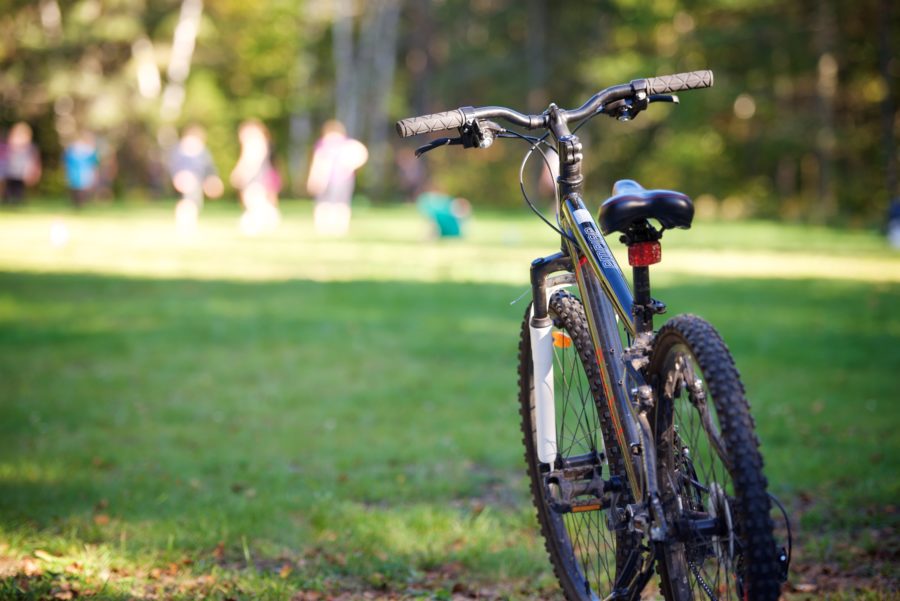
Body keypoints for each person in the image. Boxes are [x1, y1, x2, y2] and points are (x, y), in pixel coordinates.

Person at [307, 120, 368, 237]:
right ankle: (330, 226)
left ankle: (334, 227)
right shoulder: (335, 144)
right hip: (333, 179)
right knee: (329, 203)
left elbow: (361, 155)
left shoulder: (344, 144)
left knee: (336, 203)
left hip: (340, 179)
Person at [167, 125, 223, 234]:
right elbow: (174, 165)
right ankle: (184, 224)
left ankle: (189, 224)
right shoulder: (180, 150)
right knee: (187, 202)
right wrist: (177, 176)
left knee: (194, 202)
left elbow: (208, 167)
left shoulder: (202, 151)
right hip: (185, 180)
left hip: (197, 181)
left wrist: (212, 179)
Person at [231, 120, 280, 235]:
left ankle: (264, 221)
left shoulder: (255, 143)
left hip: (257, 177)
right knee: (254, 200)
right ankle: (264, 220)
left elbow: (252, 161)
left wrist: (243, 174)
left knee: (254, 200)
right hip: (258, 176)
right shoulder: (258, 142)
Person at [3, 122, 41, 205]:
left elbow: (33, 162)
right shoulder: (8, 148)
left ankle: (17, 202)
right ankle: (7, 201)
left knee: (19, 189)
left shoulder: (30, 148)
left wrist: (32, 173)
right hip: (9, 172)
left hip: (21, 173)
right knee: (9, 188)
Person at [63, 131, 100, 207]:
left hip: (84, 172)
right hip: (76, 172)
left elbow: (95, 162)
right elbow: (67, 159)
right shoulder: (75, 148)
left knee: (82, 189)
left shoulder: (90, 150)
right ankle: (77, 204)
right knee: (77, 189)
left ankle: (80, 204)